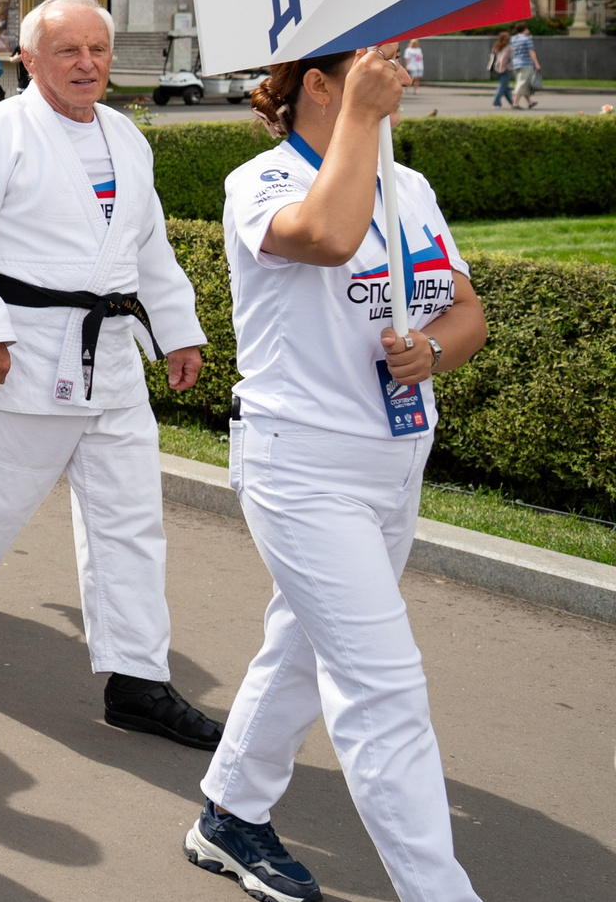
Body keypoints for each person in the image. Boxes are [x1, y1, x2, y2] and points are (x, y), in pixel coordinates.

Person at [187, 44, 490, 902]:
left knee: (307, 636)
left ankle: (229, 813)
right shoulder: (264, 181)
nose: (397, 70)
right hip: (304, 466)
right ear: (318, 85)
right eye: (370, 63)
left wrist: (430, 348)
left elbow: (465, 310)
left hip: (397, 455)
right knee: (382, 683)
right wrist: (360, 116)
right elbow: (327, 235)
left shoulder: (413, 187)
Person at [0, 0, 223, 750]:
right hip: (20, 352)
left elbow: (151, 250)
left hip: (108, 358)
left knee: (132, 520)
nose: (85, 64)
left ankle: (137, 675)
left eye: (97, 50)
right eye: (66, 51)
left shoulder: (128, 140)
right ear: (26, 59)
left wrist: (177, 331)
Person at [508, 25, 540, 109]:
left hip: (515, 63)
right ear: (525, 29)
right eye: (527, 28)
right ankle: (515, 104)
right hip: (525, 64)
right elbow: (531, 52)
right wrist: (536, 63)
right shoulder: (527, 39)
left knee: (523, 83)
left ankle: (530, 102)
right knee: (522, 83)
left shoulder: (513, 38)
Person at [486, 31, 513, 107]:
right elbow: (507, 59)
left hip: (496, 69)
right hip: (505, 69)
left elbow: (492, 57)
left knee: (505, 87)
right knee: (502, 86)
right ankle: (496, 102)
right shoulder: (509, 48)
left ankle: (512, 103)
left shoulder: (496, 46)